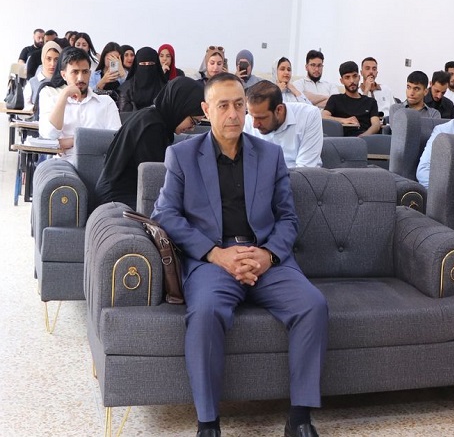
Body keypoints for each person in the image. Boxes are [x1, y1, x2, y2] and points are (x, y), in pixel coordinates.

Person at [151, 73, 328, 437]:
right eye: (223, 106)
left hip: (265, 258)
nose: (233, 114)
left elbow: (287, 217)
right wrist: (215, 254)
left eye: (238, 105)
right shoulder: (182, 155)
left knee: (313, 305)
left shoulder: (269, 155)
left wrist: (268, 255)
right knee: (205, 313)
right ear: (206, 110)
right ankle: (208, 423)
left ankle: (299, 419)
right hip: (212, 260)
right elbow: (165, 214)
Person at [95, 77, 205, 207]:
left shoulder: (152, 118)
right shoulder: (152, 127)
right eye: (193, 121)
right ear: (180, 107)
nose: (192, 128)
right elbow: (154, 181)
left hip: (126, 194)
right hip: (117, 201)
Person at [38, 48, 121, 163]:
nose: (81, 78)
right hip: (64, 163)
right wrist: (64, 95)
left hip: (98, 164)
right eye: (75, 72)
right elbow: (49, 136)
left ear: (90, 74)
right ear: (63, 75)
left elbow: (116, 140)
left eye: (85, 72)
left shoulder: (106, 102)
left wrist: (72, 141)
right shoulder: (53, 102)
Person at [244, 80, 323, 168]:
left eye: (261, 118)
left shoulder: (309, 115)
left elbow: (305, 169)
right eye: (251, 116)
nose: (254, 125)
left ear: (279, 110)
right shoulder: (247, 121)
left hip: (300, 174)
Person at [322, 61, 380, 137]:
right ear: (342, 81)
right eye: (347, 77)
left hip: (366, 139)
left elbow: (376, 125)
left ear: (359, 77)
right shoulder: (335, 99)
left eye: (354, 76)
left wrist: (363, 136)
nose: (352, 81)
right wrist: (344, 120)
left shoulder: (370, 102)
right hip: (343, 140)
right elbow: (323, 116)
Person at [117, 47, 167, 112]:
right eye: (143, 64)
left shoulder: (166, 89)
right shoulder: (126, 89)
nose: (147, 67)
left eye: (150, 64)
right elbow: (124, 114)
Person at [23, 41, 61, 109]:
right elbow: (26, 108)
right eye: (48, 59)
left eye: (56, 59)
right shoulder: (32, 83)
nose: (52, 64)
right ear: (43, 59)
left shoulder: (64, 82)